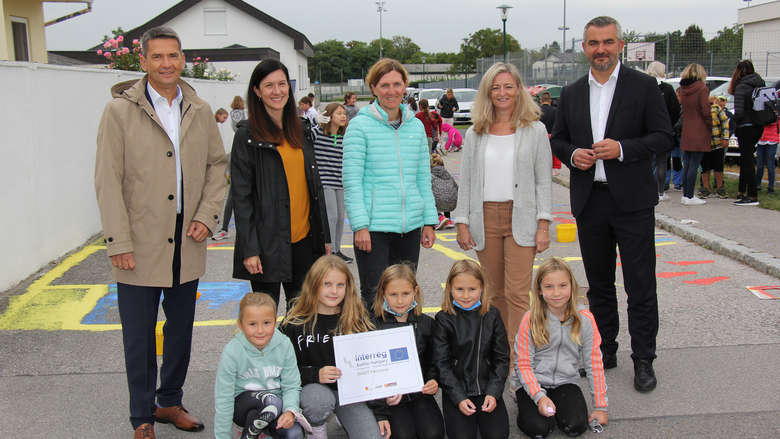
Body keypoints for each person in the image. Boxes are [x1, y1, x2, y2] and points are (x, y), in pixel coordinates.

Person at [95, 26, 227, 438]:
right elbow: (107, 178)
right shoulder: (119, 111)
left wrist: (207, 216)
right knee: (138, 337)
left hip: (187, 239)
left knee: (180, 330)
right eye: (157, 57)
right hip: (138, 240)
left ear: (182, 59)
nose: (166, 64)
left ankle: (169, 400)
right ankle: (142, 416)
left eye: (173, 56)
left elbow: (216, 167)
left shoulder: (201, 110)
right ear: (144, 62)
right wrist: (118, 239)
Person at [550, 16, 673, 393]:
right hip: (591, 202)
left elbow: (665, 136)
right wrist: (573, 156)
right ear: (584, 48)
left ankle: (644, 359)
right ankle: (605, 351)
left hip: (633, 203)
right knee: (599, 285)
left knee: (640, 284)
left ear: (620, 45)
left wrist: (622, 149)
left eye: (607, 42)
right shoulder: (570, 93)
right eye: (593, 43)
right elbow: (558, 140)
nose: (600, 49)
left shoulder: (644, 86)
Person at [454, 62, 552, 356]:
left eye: (508, 86)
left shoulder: (535, 131)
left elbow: (543, 181)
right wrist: (461, 221)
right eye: (495, 87)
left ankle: (519, 359)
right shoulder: (476, 133)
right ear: (487, 92)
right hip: (485, 218)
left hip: (521, 217)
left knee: (518, 294)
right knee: (494, 294)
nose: (502, 93)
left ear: (519, 90)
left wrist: (543, 224)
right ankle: (500, 356)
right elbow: (468, 181)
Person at [230, 59, 331, 312]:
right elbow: (241, 197)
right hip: (267, 246)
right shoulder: (246, 135)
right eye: (269, 85)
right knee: (265, 322)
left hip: (305, 243)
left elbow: (315, 188)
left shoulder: (301, 128)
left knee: (304, 318)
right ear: (257, 91)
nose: (277, 91)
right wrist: (249, 249)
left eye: (282, 84)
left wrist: (325, 237)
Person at [342, 58, 438, 308]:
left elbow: (422, 178)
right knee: (374, 296)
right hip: (374, 229)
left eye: (397, 84)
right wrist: (360, 225)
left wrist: (429, 221)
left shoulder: (416, 127)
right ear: (373, 88)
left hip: (410, 227)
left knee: (404, 295)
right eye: (384, 85)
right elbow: (352, 181)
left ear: (405, 85)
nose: (391, 91)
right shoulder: (359, 126)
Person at [279, 255, 384, 439]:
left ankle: (341, 418)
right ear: (313, 284)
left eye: (340, 285)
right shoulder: (295, 322)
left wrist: (382, 411)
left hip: (350, 393)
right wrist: (315, 374)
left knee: (373, 436)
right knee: (318, 401)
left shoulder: (357, 319)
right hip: (312, 390)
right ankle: (316, 427)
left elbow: (373, 367)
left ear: (348, 286)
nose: (334, 291)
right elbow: (281, 368)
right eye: (326, 284)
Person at [513, 257, 608, 438]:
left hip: (566, 382)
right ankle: (525, 401)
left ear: (572, 286)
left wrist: (600, 406)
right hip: (534, 382)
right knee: (538, 429)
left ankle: (556, 406)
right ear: (539, 290)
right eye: (549, 287)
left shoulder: (585, 319)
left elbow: (594, 364)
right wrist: (539, 397)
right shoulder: (530, 319)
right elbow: (523, 365)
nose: (556, 293)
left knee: (576, 426)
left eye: (563, 285)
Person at [432, 260, 510, 439]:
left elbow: (501, 359)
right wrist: (458, 397)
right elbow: (442, 365)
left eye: (472, 289)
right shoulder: (443, 319)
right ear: (450, 288)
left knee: (498, 435)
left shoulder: (492, 315)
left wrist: (494, 392)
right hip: (457, 390)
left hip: (486, 387)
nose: (466, 296)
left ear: (482, 288)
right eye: (459, 289)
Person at [214, 293, 306, 439]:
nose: (260, 330)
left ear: (275, 322)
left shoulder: (284, 344)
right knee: (271, 402)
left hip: (277, 406)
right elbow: (223, 398)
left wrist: (290, 411)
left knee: (294, 434)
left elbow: (291, 385)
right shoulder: (232, 351)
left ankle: (263, 432)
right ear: (241, 324)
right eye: (252, 324)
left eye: (267, 323)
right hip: (244, 407)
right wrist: (222, 436)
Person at [370, 264, 446, 439]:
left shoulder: (427, 323)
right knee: (403, 435)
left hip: (420, 393)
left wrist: (433, 380)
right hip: (390, 397)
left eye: (405, 294)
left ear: (415, 291)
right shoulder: (372, 326)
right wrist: (381, 406)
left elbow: (434, 359)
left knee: (434, 434)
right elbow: (369, 371)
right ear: (383, 293)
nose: (400, 301)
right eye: (393, 294)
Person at [312, 103, 353, 263]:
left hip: (340, 182)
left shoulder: (345, 136)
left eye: (344, 114)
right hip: (324, 182)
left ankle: (337, 249)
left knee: (340, 217)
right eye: (338, 113)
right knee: (332, 216)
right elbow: (302, 134)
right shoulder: (318, 133)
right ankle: (329, 250)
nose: (343, 116)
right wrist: (315, 122)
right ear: (329, 116)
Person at [730, 59, 765, 206]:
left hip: (745, 126)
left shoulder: (741, 87)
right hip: (758, 124)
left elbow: (738, 112)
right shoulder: (759, 84)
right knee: (748, 159)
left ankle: (751, 195)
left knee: (747, 161)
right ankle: (742, 191)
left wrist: (732, 121)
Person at [678, 63, 712, 206]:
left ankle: (686, 194)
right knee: (694, 164)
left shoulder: (682, 89)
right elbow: (705, 110)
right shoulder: (702, 89)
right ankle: (690, 195)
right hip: (699, 129)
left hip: (687, 128)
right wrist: (710, 124)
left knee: (687, 164)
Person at [646, 61, 680, 202]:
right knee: (662, 162)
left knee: (647, 162)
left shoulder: (644, 87)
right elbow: (675, 110)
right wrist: (670, 126)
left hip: (646, 131)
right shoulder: (667, 89)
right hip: (663, 130)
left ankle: (647, 189)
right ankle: (660, 191)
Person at [700, 96, 730, 198]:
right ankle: (706, 188)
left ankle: (720, 188)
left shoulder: (717, 108)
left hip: (717, 143)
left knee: (718, 167)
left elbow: (725, 123)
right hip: (703, 143)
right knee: (705, 167)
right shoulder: (699, 109)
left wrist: (725, 138)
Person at [430, 153, 458, 230]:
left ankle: (438, 217)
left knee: (428, 193)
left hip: (439, 203)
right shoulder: (448, 174)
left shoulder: (430, 175)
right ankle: (447, 218)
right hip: (452, 203)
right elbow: (456, 187)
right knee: (447, 192)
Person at [538, 92, 561, 175]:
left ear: (540, 100)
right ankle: (555, 169)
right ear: (550, 100)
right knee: (553, 153)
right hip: (552, 135)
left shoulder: (537, 111)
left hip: (540, 136)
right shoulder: (555, 110)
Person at [755, 117, 778, 194]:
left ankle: (770, 187)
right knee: (760, 165)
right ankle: (758, 185)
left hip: (772, 140)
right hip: (761, 139)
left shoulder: (776, 109)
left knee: (770, 165)